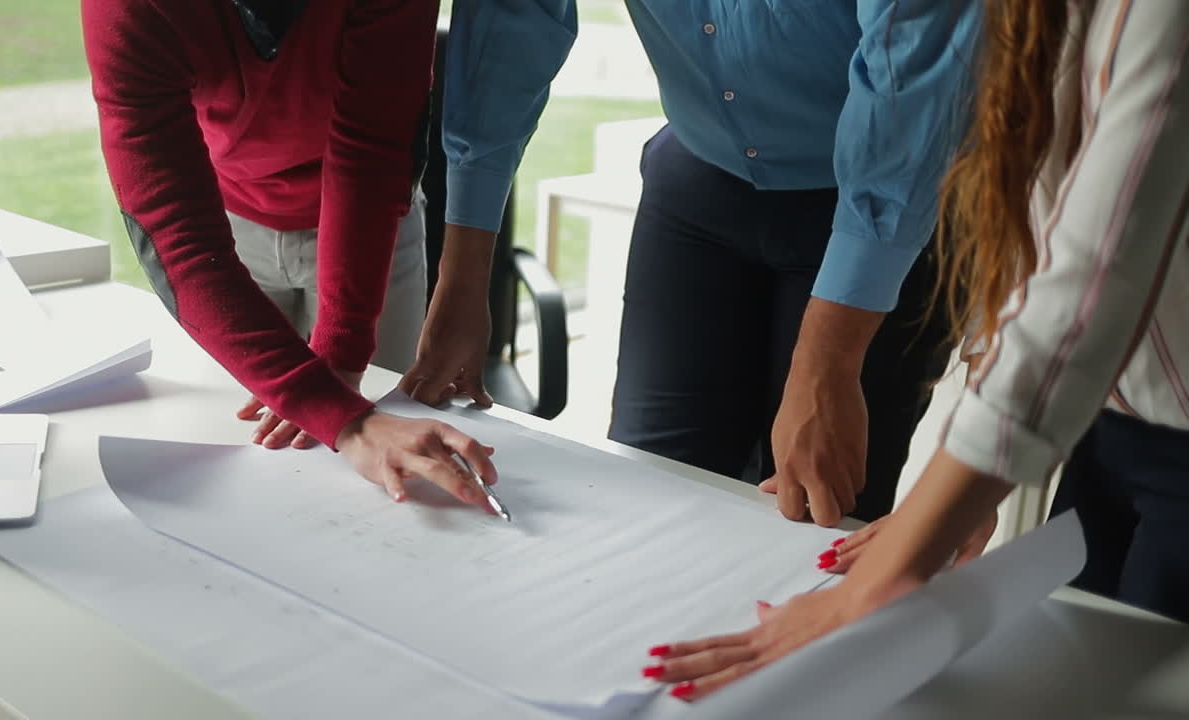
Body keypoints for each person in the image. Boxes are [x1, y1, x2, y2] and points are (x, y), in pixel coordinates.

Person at [643, 0, 1189, 701]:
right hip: (1112, 426)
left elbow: (1092, 279)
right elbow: (1034, 231)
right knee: (1084, 689)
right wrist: (951, 496)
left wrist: (888, 570)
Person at [427, 1, 979, 527]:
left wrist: (829, 364)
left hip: (886, 208)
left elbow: (911, 97)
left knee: (817, 513)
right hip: (699, 184)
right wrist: (461, 285)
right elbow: (507, 33)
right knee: (651, 493)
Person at [82, 0, 500, 510]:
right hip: (227, 226)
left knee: (385, 479)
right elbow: (177, 236)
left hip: (369, 233)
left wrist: (343, 353)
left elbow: (371, 152)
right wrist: (345, 419)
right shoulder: (126, 8)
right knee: (240, 461)